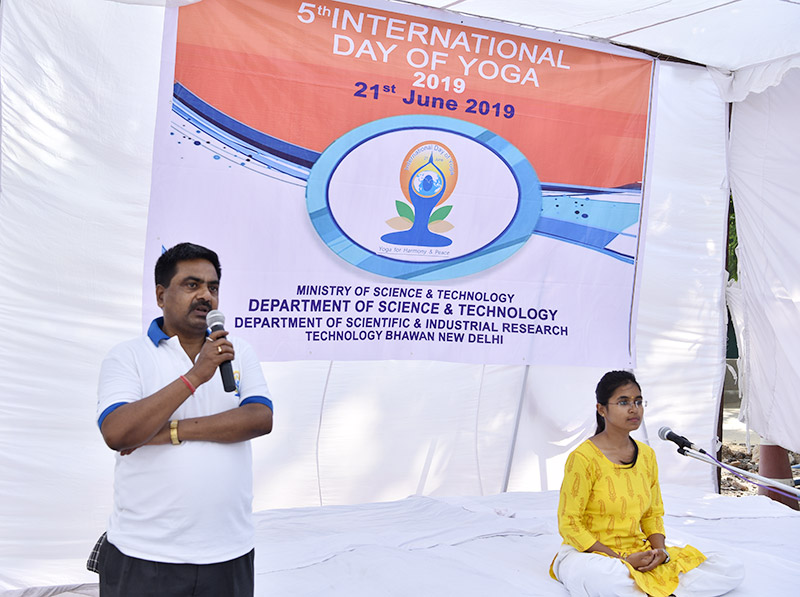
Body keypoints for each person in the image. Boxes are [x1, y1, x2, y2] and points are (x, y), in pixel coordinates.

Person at [95, 242, 274, 596]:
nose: (205, 295)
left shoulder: (238, 350)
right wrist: (196, 375)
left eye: (213, 287)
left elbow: (259, 418)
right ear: (161, 295)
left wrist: (167, 431)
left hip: (229, 551)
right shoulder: (127, 356)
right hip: (146, 554)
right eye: (192, 285)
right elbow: (118, 432)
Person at [549, 370, 743, 597]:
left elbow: (652, 515)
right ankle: (654, 587)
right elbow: (569, 524)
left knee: (729, 568)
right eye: (623, 402)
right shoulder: (583, 458)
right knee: (607, 579)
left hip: (638, 550)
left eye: (638, 402)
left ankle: (648, 585)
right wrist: (621, 559)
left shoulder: (647, 456)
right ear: (601, 409)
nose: (634, 409)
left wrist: (660, 552)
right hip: (591, 556)